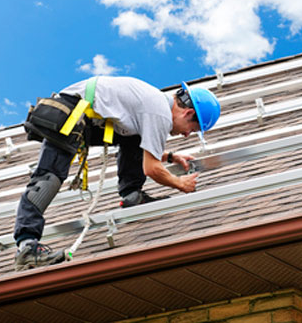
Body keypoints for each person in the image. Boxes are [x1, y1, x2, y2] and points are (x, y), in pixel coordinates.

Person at [13, 76, 221, 271]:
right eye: (191, 130)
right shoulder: (160, 113)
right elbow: (152, 168)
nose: (185, 135)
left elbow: (145, 145)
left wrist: (170, 156)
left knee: (134, 138)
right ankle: (27, 247)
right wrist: (180, 184)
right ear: (188, 114)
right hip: (71, 113)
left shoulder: (156, 104)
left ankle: (132, 195)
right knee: (47, 180)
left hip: (84, 115)